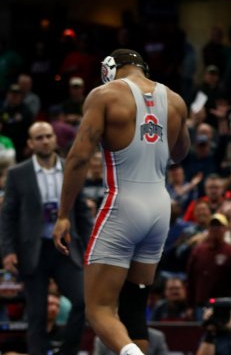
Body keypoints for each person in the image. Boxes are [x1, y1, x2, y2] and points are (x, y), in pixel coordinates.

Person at [53, 49, 190, 355]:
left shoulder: (106, 95)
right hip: (159, 209)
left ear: (109, 68)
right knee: (133, 305)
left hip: (123, 204)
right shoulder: (176, 100)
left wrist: (64, 214)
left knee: (98, 309)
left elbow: (77, 158)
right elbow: (181, 153)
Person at [0, 122, 93, 355]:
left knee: (83, 302)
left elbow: (81, 211)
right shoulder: (17, 174)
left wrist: (92, 245)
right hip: (33, 251)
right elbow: (7, 216)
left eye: (48, 136)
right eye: (39, 137)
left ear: (55, 139)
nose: (45, 140)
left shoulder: (70, 168)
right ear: (30, 144)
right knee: (37, 314)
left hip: (65, 249)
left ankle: (67, 353)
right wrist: (8, 251)